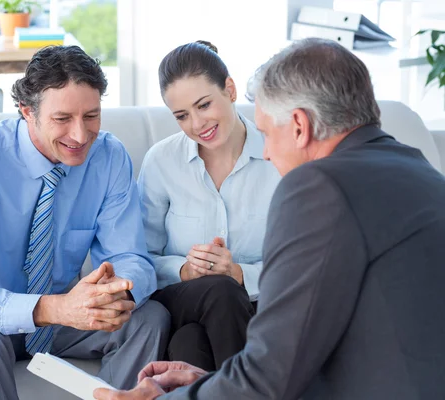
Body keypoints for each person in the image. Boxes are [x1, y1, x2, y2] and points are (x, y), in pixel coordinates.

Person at [94, 38, 445, 400]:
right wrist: (205, 382)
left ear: (299, 126)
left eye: (266, 133)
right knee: (188, 339)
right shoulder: (420, 170)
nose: (264, 152)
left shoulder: (320, 186)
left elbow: (270, 375)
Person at [0, 45, 170, 400]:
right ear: (26, 112)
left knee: (148, 319)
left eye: (91, 116)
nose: (80, 136)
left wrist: (115, 294)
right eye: (62, 119)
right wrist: (54, 307)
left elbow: (132, 258)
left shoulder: (109, 157)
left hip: (64, 321)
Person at [137, 40, 281, 372]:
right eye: (182, 116)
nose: (197, 124)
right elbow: (139, 254)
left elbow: (300, 263)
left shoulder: (278, 157)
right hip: (181, 299)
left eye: (204, 105)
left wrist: (240, 274)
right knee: (220, 290)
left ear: (229, 89)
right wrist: (184, 270)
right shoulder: (162, 161)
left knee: (189, 342)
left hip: (260, 304)